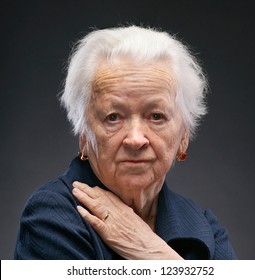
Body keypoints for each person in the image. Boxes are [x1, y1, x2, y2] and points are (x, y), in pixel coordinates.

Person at [14, 25, 237, 260]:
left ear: (183, 137)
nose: (135, 139)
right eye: (113, 117)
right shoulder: (51, 216)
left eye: (156, 116)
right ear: (83, 134)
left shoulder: (204, 227)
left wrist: (150, 249)